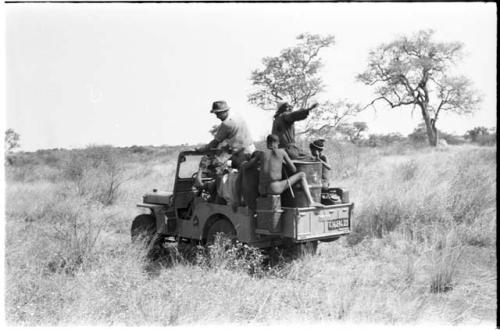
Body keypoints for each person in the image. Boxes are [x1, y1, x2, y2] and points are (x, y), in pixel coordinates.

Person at [246, 134, 323, 208]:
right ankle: (311, 202)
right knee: (302, 175)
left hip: (261, 189)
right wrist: (283, 162)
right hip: (274, 188)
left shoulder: (261, 154)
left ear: (267, 143)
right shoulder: (281, 152)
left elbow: (247, 166)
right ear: (276, 143)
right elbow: (293, 169)